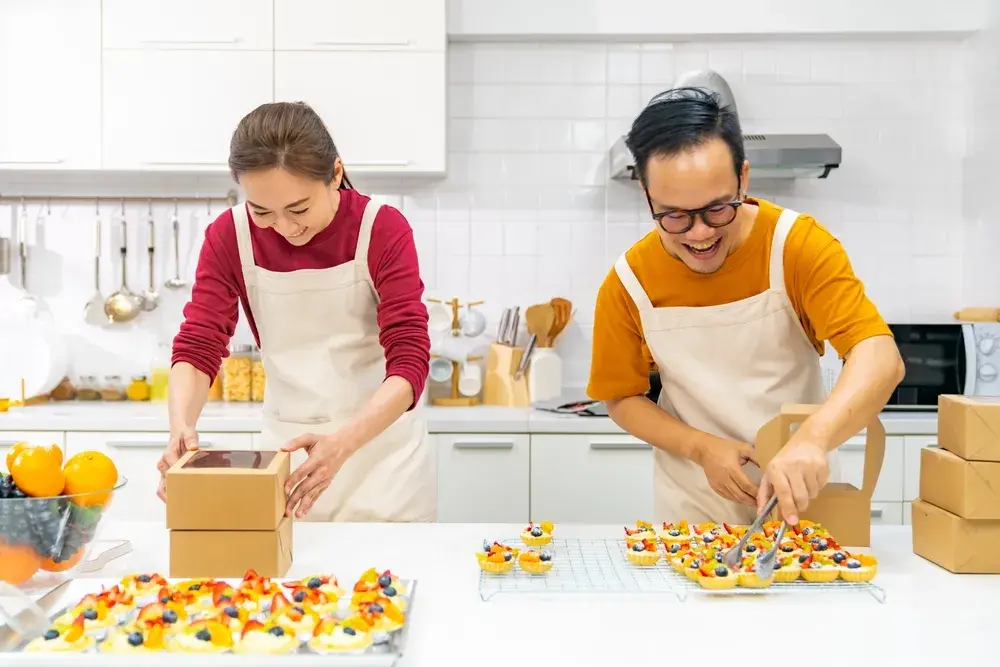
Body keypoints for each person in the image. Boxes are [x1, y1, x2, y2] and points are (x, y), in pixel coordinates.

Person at [587, 88, 905, 526]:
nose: (699, 234)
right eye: (674, 215)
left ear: (744, 179)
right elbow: (622, 398)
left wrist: (814, 438)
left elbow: (879, 357)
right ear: (647, 196)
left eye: (718, 209)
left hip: (801, 506)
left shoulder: (797, 246)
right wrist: (701, 447)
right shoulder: (629, 282)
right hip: (691, 510)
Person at [155, 101, 436, 523]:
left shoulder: (381, 228)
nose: (286, 228)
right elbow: (199, 344)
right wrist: (180, 426)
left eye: (299, 209)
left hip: (384, 460)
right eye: (262, 211)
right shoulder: (228, 237)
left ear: (335, 174)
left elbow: (411, 356)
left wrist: (342, 443)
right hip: (289, 460)